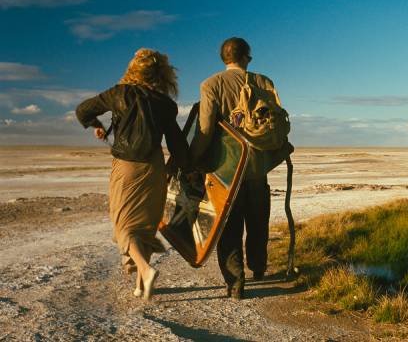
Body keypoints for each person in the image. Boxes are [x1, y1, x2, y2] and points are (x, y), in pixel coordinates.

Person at [75, 48, 190, 300]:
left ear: (133, 69)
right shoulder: (165, 104)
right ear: (162, 75)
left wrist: (98, 126)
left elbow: (83, 110)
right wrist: (170, 168)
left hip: (126, 167)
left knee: (123, 226)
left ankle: (146, 271)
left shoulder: (119, 93)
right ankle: (140, 285)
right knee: (146, 228)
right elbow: (179, 146)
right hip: (155, 168)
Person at [190, 37, 275, 299]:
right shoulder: (263, 82)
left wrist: (192, 161)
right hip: (258, 167)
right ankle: (258, 267)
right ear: (247, 57)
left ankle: (236, 284)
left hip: (226, 172)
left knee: (228, 228)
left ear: (223, 58)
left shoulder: (211, 84)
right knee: (259, 223)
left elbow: (204, 130)